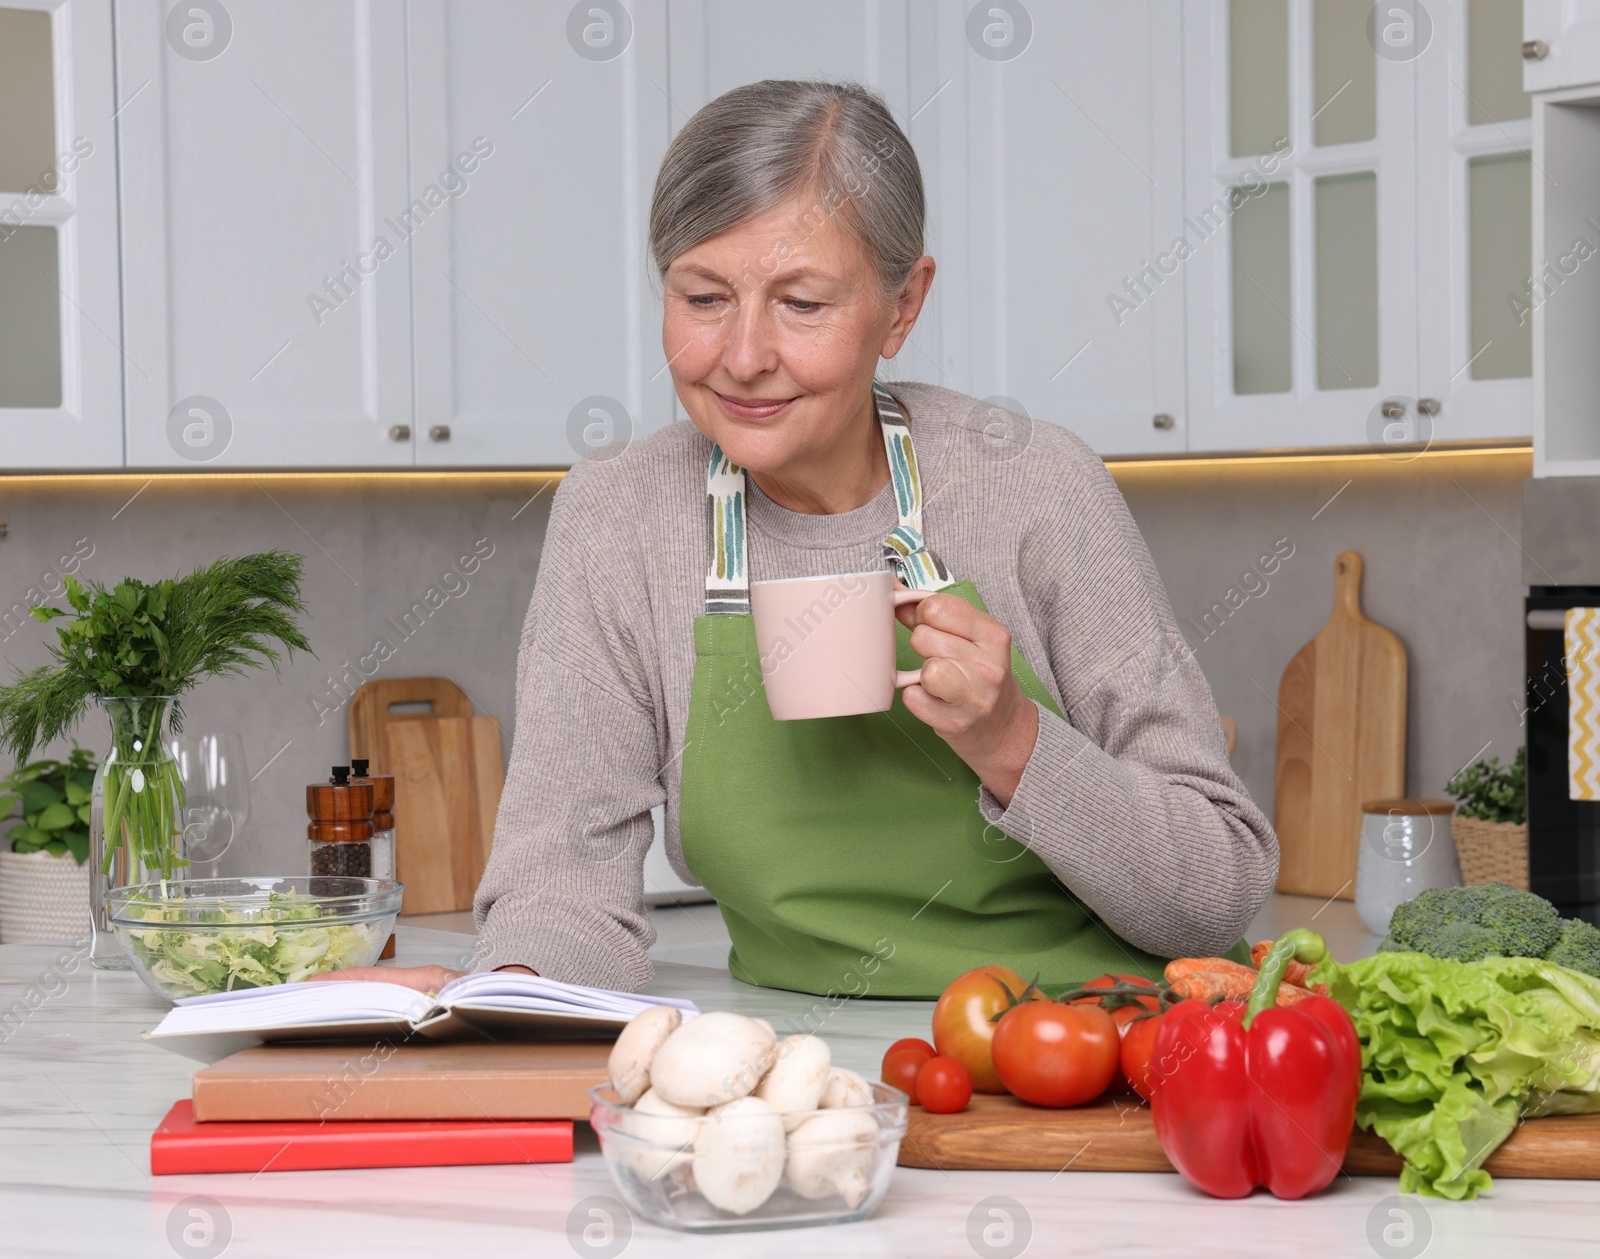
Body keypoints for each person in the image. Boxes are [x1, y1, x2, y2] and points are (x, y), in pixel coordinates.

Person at [349, 79, 1277, 1000]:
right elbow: (562, 880)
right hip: (803, 1059)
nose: (744, 355)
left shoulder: (1035, 486)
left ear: (902, 305)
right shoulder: (618, 516)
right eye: (705, 297)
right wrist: (513, 988)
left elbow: (1218, 881)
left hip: (1093, 1047)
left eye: (802, 304)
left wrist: (1012, 740)